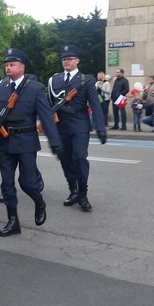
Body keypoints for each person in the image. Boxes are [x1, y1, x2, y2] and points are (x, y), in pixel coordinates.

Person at [0, 48, 63, 236]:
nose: (8, 68)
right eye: (6, 65)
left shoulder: (34, 88)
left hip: (27, 141)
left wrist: (56, 144)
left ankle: (39, 202)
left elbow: (46, 117)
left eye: (12, 64)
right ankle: (13, 222)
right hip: (5, 141)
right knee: (7, 184)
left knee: (27, 183)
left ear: (22, 67)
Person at [47, 45, 107, 212]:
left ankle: (83, 193)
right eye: (64, 59)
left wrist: (100, 128)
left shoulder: (86, 80)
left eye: (70, 59)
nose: (66, 61)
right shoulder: (54, 80)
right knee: (65, 160)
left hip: (80, 124)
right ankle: (73, 190)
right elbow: (49, 105)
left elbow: (95, 104)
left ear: (77, 61)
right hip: (60, 125)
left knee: (79, 158)